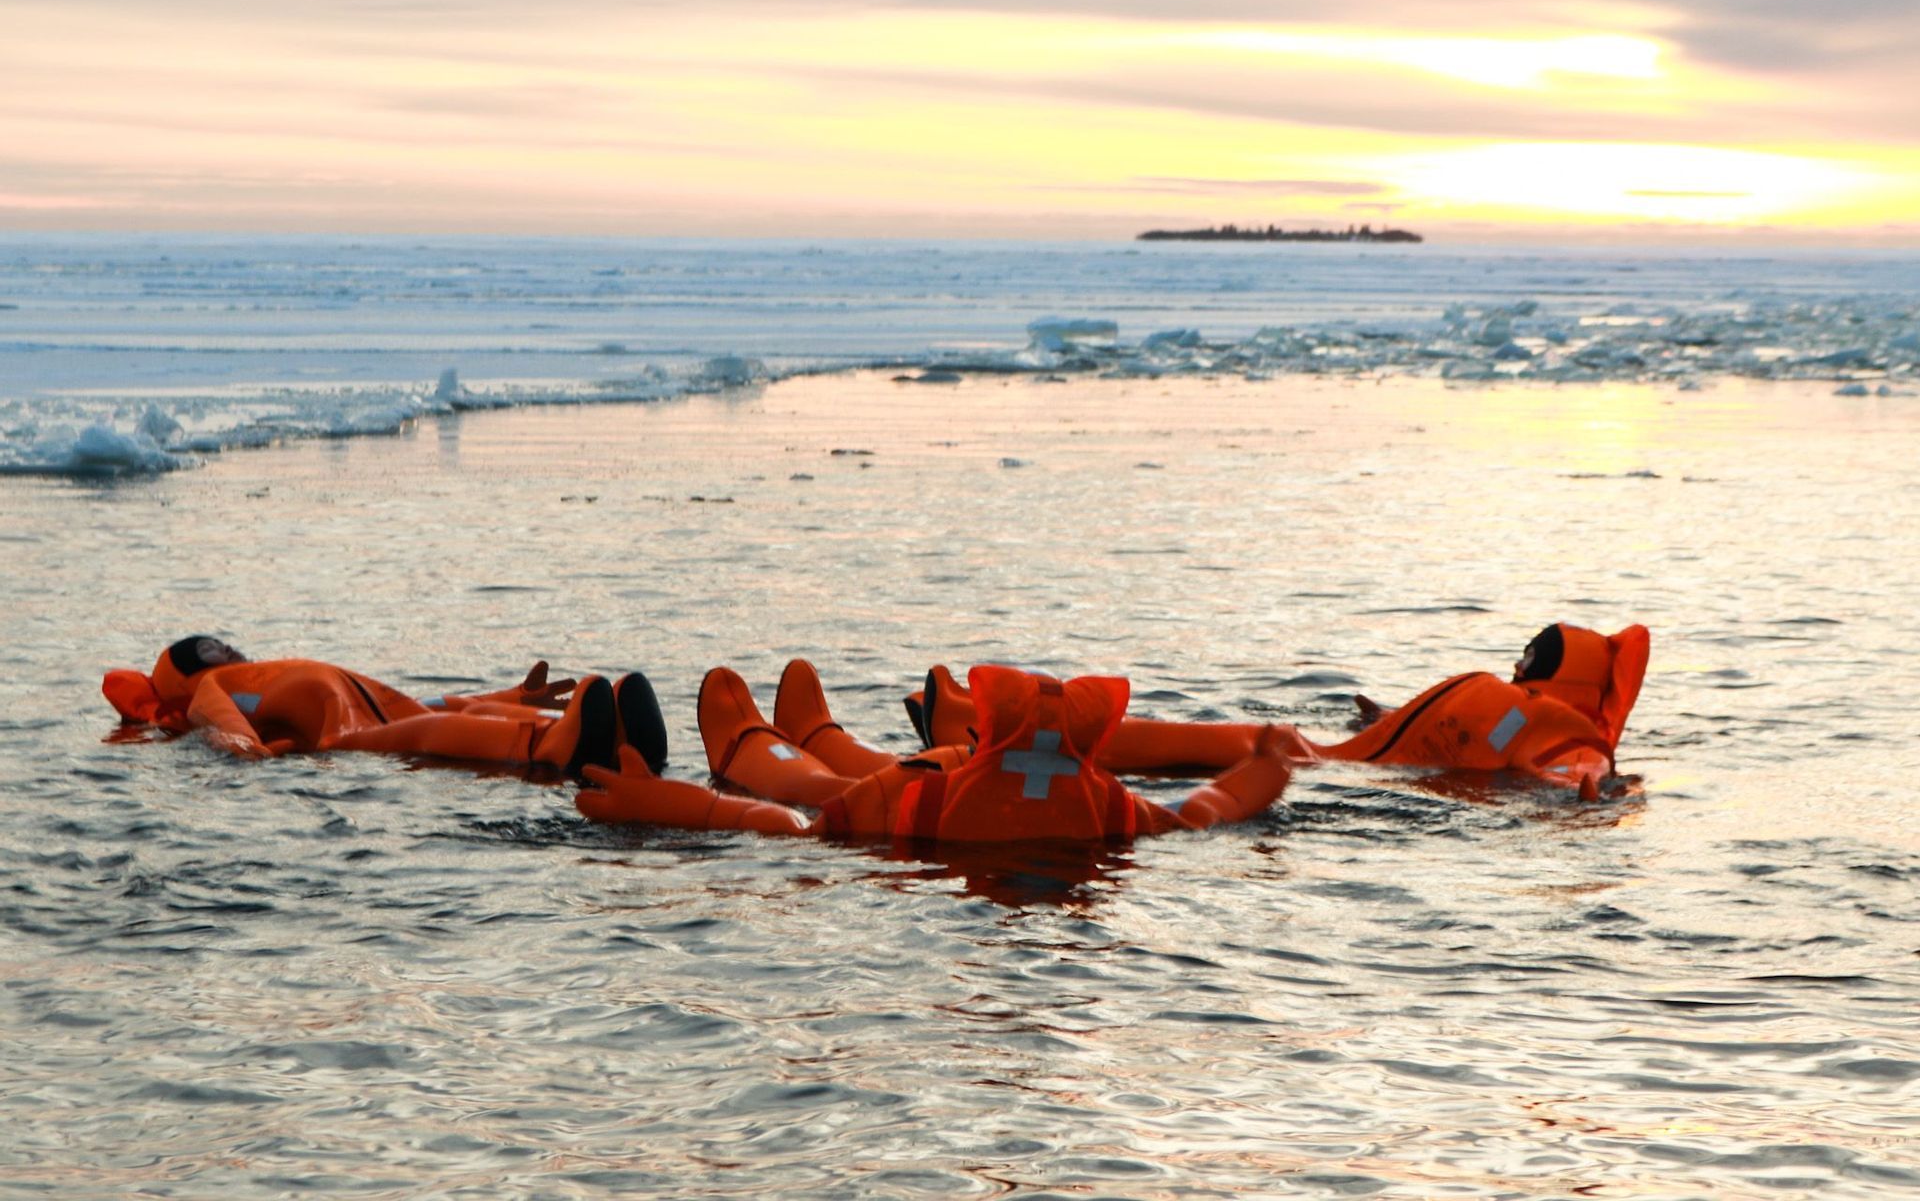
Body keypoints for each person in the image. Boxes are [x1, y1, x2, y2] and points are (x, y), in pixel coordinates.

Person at [903, 623, 1651, 800]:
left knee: (1264, 745)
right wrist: (1383, 719)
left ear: (1567, 679)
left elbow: (1574, 770)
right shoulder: (1524, 707)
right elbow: (1440, 729)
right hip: (1351, 757)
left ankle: (985, 737)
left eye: (1537, 660)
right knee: (1263, 739)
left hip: (1344, 775)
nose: (1521, 666)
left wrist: (1580, 790)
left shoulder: (1570, 731)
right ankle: (988, 726)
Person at [574, 660, 1302, 842]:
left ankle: (757, 751)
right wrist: (1270, 763)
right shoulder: (1111, 809)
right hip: (951, 807)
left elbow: (780, 832)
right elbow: (1210, 809)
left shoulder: (930, 792)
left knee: (820, 800)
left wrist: (665, 805)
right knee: (838, 795)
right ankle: (808, 740)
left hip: (922, 807)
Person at [101, 635, 667, 777]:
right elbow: (219, 721)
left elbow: (422, 701)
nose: (224, 649)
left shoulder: (266, 669)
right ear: (187, 671)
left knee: (449, 714)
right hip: (339, 731)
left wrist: (511, 697)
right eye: (206, 649)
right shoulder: (207, 689)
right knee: (424, 731)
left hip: (375, 708)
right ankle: (550, 743)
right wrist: (247, 750)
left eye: (221, 641)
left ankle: (611, 734)